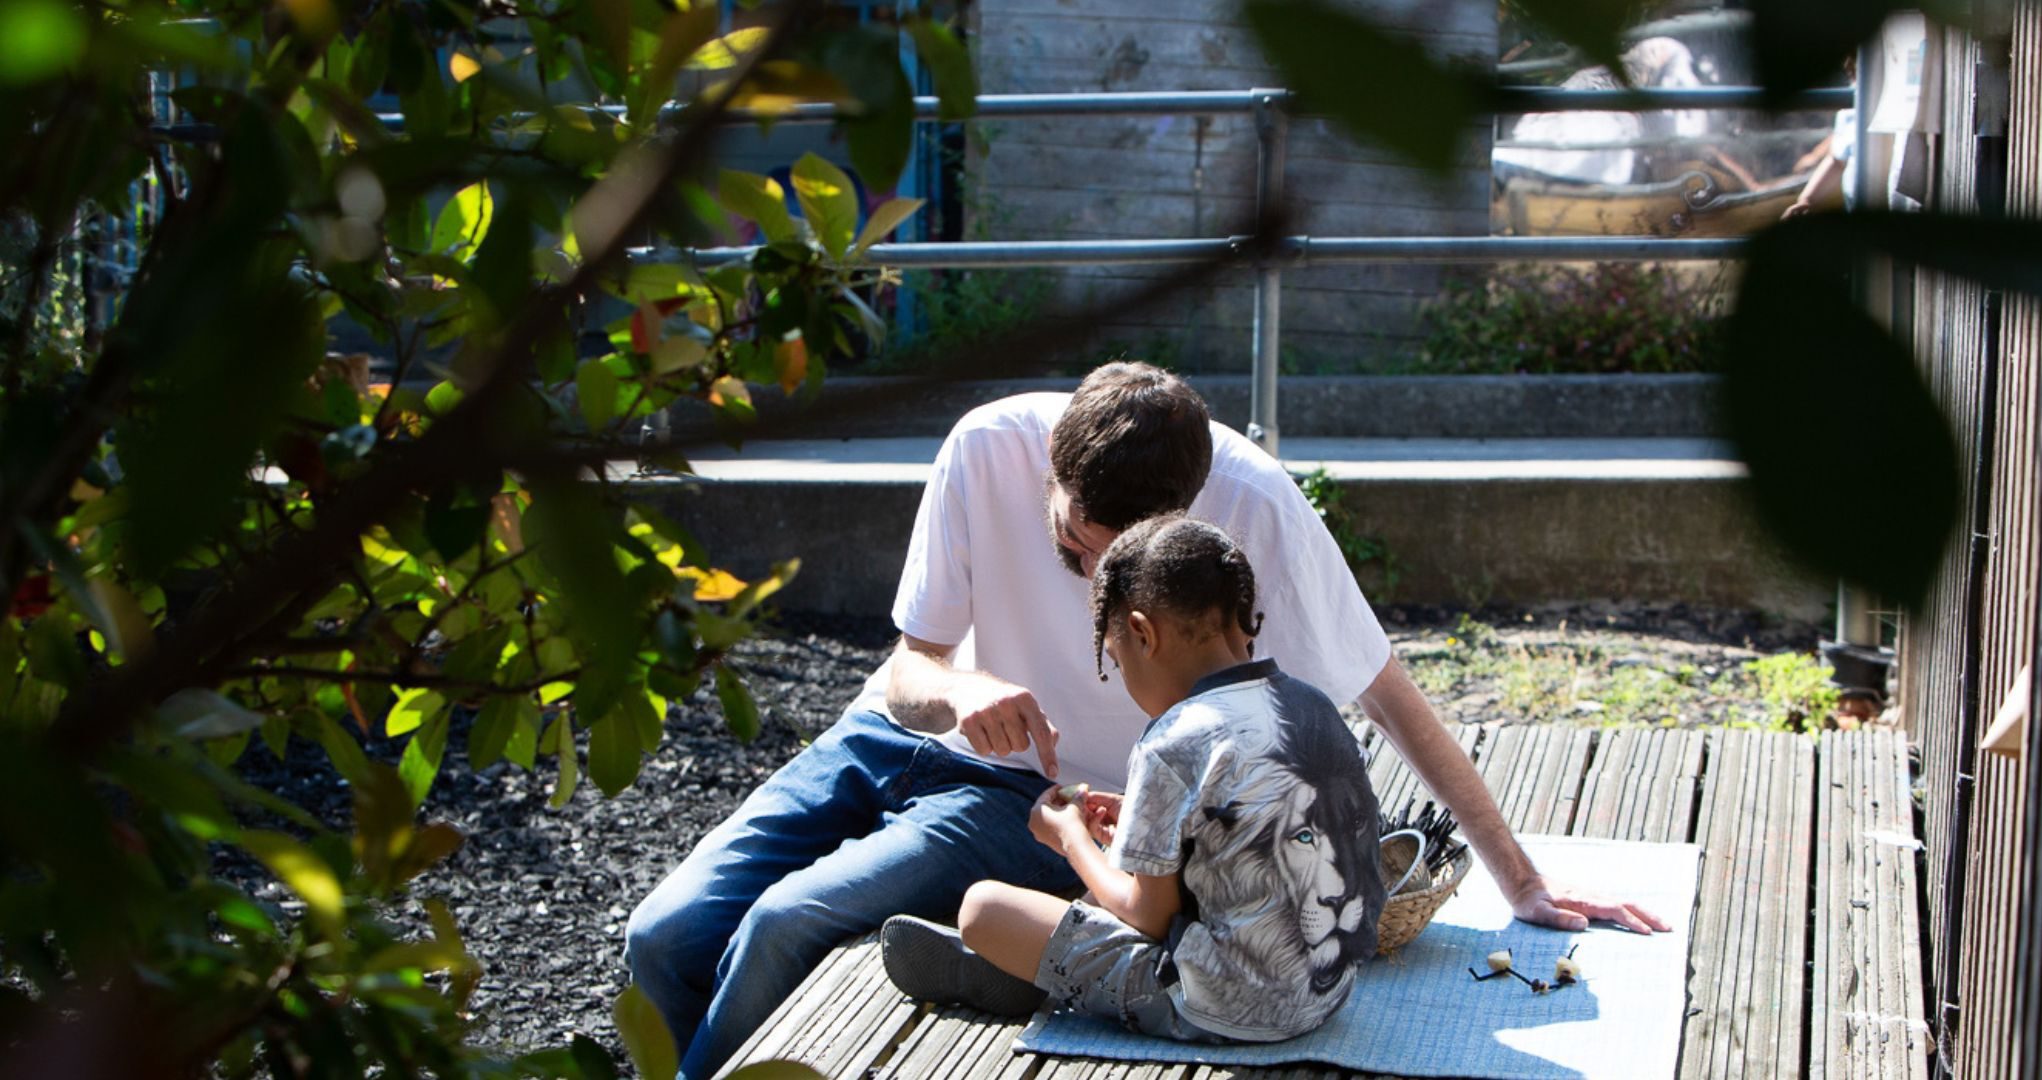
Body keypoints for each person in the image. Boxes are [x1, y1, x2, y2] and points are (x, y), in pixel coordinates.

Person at [626, 362, 1666, 1080]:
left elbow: (1385, 692)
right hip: (897, 734)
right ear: (1053, 471)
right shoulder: (985, 446)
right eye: (1081, 550)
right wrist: (959, 692)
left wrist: (1522, 883)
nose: (1099, 591)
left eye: (1125, 573)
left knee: (782, 924)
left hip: (1032, 794)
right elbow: (908, 664)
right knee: (663, 932)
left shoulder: (1256, 506)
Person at [881, 516, 1387, 1044]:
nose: (1124, 679)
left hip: (1222, 1008)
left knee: (983, 909)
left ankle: (1019, 973)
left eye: (1117, 663)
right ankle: (1035, 969)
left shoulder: (1172, 739)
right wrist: (1141, 815)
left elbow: (1149, 917)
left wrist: (1072, 842)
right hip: (1327, 993)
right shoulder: (1312, 706)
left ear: (1143, 634)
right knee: (1099, 892)